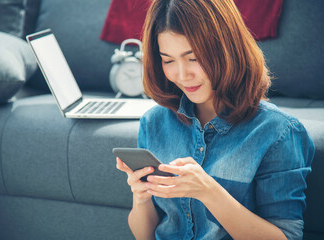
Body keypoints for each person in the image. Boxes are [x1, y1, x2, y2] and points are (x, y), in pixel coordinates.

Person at [116, 0, 315, 239]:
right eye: (168, 60)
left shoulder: (277, 132)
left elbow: (287, 236)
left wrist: (208, 191)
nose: (182, 74)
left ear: (227, 47)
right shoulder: (154, 123)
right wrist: (141, 197)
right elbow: (145, 235)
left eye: (193, 57)